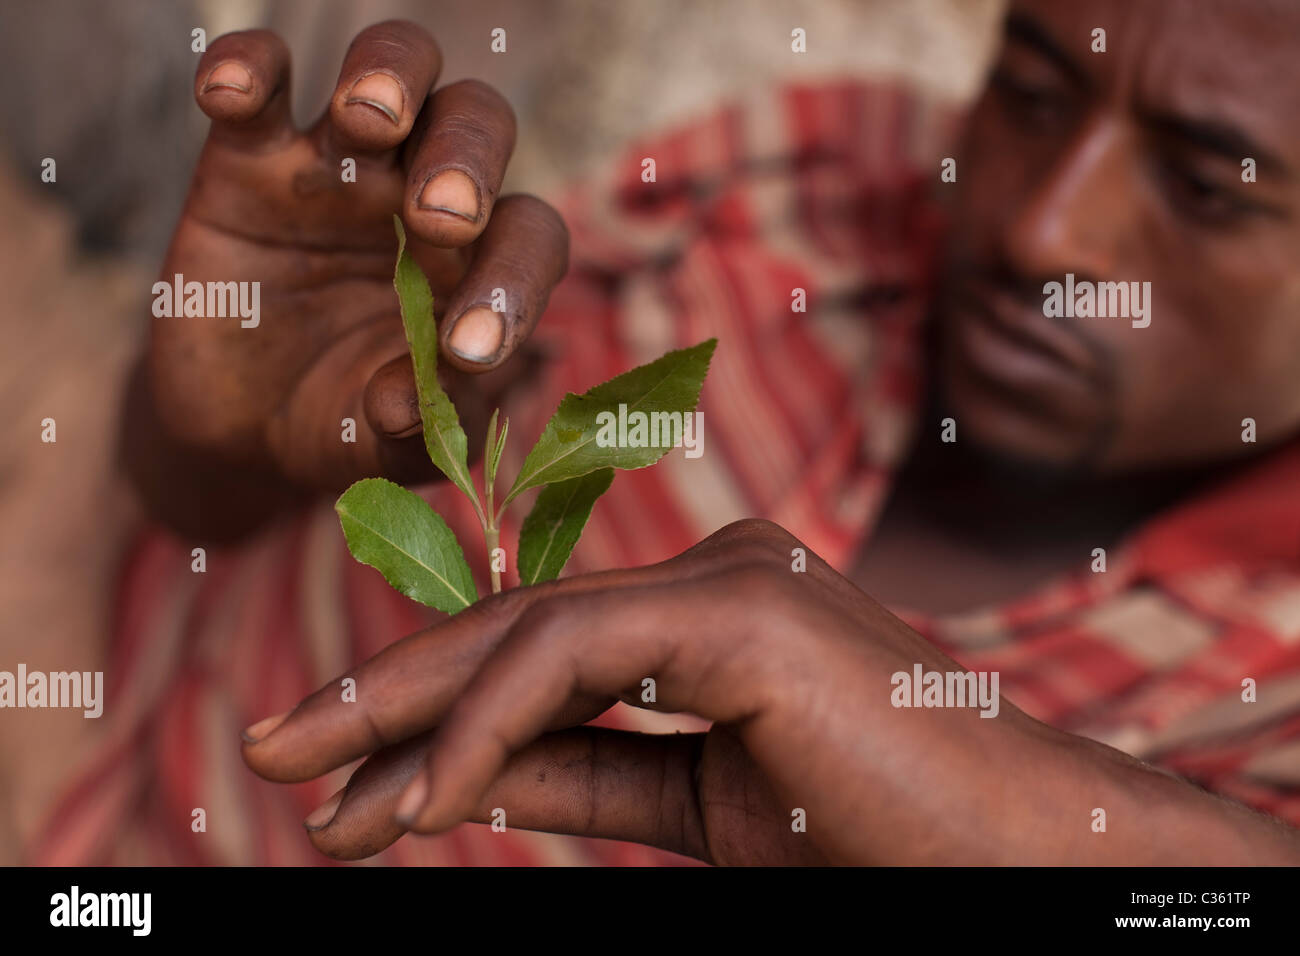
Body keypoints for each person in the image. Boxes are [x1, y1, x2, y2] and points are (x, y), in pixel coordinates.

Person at [26, 0, 1300, 864]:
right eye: (1029, 92)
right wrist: (241, 430)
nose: (1045, 231)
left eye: (1204, 187)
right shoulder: (820, 180)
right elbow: (205, 486)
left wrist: (1014, 802)